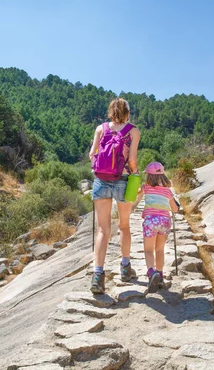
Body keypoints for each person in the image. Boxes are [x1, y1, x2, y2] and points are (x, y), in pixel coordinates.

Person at [89, 98, 140, 294]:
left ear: (111, 111)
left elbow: (91, 154)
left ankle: (97, 275)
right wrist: (135, 174)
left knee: (103, 229)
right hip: (123, 179)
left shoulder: (100, 129)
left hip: (101, 180)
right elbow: (132, 159)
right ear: (128, 112)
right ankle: (125, 268)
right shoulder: (133, 131)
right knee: (124, 226)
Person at [141, 162, 179, 293]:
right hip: (164, 221)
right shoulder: (167, 191)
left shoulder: (146, 187)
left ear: (148, 176)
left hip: (151, 221)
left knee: (148, 250)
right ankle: (160, 275)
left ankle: (152, 274)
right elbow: (175, 209)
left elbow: (134, 197)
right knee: (159, 249)